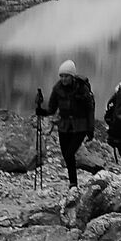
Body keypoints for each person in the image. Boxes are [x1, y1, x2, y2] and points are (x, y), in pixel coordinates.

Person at [38, 59, 97, 187]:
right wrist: (41, 111)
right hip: (64, 126)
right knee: (66, 155)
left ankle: (73, 184)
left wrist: (90, 129)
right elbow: (52, 109)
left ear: (72, 76)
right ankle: (73, 182)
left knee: (69, 153)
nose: (63, 79)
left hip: (80, 126)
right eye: (62, 76)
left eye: (66, 76)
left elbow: (90, 109)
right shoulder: (57, 88)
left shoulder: (82, 88)